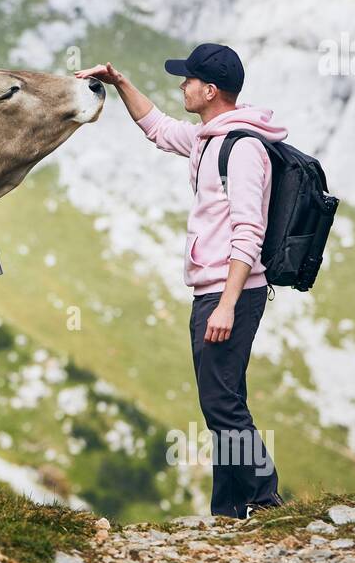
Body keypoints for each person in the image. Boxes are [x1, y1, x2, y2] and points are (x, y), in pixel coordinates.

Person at [76, 44, 285, 518]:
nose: (181, 86)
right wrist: (119, 81)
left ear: (210, 91)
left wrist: (227, 304)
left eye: (188, 80)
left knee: (220, 405)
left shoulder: (244, 149)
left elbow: (249, 231)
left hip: (231, 293)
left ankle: (267, 496)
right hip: (214, 290)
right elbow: (158, 128)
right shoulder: (209, 139)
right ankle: (231, 509)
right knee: (224, 400)